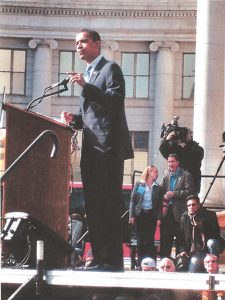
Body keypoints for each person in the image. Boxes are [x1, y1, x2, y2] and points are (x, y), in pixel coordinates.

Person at [61, 29, 134, 272]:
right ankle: (98, 258)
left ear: (97, 44)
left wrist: (85, 86)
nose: (78, 47)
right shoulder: (90, 73)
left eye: (83, 41)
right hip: (92, 150)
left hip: (108, 150)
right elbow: (94, 116)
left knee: (108, 205)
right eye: (76, 43)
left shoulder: (109, 69)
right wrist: (75, 119)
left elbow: (115, 102)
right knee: (93, 206)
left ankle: (111, 261)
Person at [178, 194, 225, 272]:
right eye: (189, 205)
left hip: (208, 247)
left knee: (212, 242)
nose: (191, 207)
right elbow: (181, 237)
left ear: (198, 205)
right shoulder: (184, 217)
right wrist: (183, 250)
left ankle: (214, 267)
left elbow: (216, 234)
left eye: (193, 205)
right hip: (194, 251)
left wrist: (202, 226)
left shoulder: (209, 215)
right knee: (193, 270)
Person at [160, 153, 194, 258]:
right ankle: (165, 261)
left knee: (180, 238)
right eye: (169, 162)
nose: (170, 164)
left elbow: (189, 191)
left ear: (178, 162)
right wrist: (164, 195)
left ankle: (181, 262)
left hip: (180, 212)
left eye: (173, 161)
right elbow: (161, 189)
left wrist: (174, 194)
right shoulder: (166, 174)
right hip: (167, 211)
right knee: (165, 237)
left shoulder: (186, 175)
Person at [129, 165, 163, 265]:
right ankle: (140, 262)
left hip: (151, 215)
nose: (157, 174)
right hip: (140, 215)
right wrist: (132, 215)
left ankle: (150, 263)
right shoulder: (140, 185)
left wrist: (159, 218)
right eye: (155, 172)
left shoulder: (157, 187)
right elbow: (133, 200)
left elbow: (159, 205)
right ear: (149, 172)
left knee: (149, 240)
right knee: (140, 240)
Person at [159, 127, 204, 194]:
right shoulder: (176, 149)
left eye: (187, 134)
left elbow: (194, 157)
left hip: (192, 183)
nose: (185, 136)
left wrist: (185, 145)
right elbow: (163, 150)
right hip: (177, 185)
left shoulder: (197, 149)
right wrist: (166, 140)